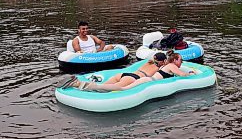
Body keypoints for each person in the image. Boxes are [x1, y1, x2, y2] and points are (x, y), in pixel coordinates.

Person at [60, 51, 194, 91]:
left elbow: (153, 57)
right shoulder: (161, 67)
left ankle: (81, 84)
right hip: (134, 78)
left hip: (123, 74)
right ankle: (78, 83)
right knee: (113, 88)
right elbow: (181, 74)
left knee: (105, 87)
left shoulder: (148, 62)